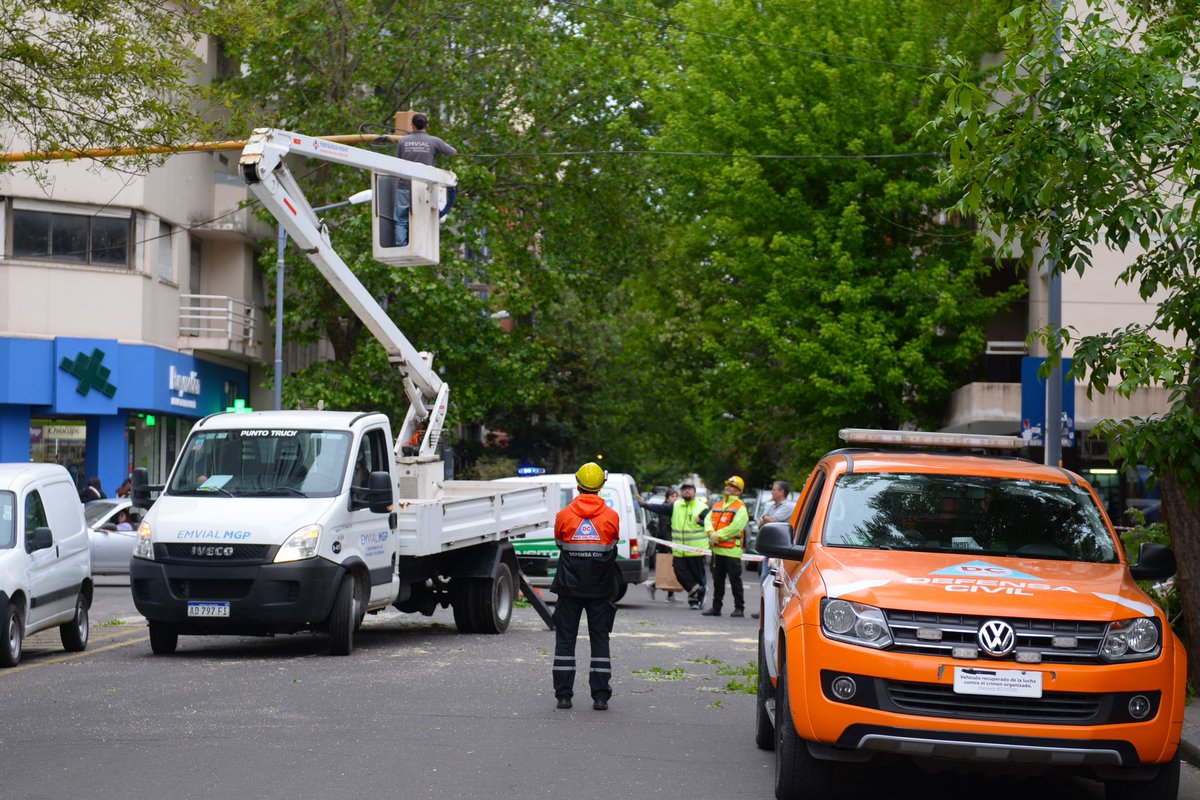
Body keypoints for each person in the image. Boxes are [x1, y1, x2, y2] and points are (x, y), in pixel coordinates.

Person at [550, 462, 621, 711]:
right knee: (600, 639)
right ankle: (600, 697)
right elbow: (612, 543)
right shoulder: (612, 516)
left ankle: (563, 696)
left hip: (569, 587)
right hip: (600, 588)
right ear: (601, 486)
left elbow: (560, 542)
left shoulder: (564, 515)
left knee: (565, 641)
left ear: (578, 484)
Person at [639, 482, 709, 609]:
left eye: (690, 489)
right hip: (679, 549)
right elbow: (660, 509)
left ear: (694, 492)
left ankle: (694, 601)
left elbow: (710, 523)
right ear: (681, 493)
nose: (687, 491)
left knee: (696, 576)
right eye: (684, 489)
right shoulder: (676, 505)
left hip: (695, 549)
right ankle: (699, 591)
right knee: (679, 573)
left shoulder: (701, 507)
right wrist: (644, 505)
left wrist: (701, 522)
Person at [394, 112, 457, 247]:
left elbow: (398, 162)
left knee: (401, 218)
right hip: (424, 188)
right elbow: (452, 152)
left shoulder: (403, 141)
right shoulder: (434, 141)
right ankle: (420, 246)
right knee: (422, 217)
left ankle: (401, 245)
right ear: (426, 126)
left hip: (404, 185)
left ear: (412, 125)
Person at [702, 475, 750, 617]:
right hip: (717, 551)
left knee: (735, 581)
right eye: (728, 485)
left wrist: (717, 535)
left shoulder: (740, 507)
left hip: (731, 552)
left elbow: (736, 527)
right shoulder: (717, 505)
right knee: (717, 581)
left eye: (732, 486)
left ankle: (739, 608)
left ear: (739, 491)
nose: (728, 487)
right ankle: (716, 608)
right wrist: (710, 532)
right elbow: (707, 519)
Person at [640, 488, 679, 602]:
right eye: (672, 496)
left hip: (670, 543)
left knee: (670, 569)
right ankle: (656, 588)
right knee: (669, 569)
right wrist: (669, 543)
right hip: (666, 544)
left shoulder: (674, 509)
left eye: (676, 496)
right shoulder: (666, 511)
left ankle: (668, 594)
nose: (674, 498)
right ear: (667, 498)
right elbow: (664, 529)